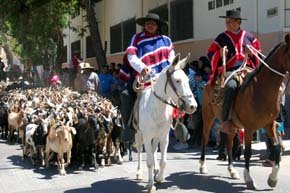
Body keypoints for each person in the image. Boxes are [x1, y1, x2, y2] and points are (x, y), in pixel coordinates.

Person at [119, 12, 175, 141]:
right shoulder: (137, 38)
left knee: (179, 91)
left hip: (162, 77)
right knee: (126, 95)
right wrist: (142, 68)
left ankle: (178, 123)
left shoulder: (166, 40)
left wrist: (171, 69)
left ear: (157, 26)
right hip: (142, 76)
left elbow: (171, 58)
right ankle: (128, 127)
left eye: (153, 24)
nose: (150, 25)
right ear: (144, 25)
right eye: (148, 23)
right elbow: (131, 55)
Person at [208, 10, 261, 134]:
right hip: (231, 70)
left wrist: (252, 52)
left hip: (247, 68)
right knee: (230, 86)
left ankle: (267, 116)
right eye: (226, 21)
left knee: (262, 85)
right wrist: (219, 54)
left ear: (238, 22)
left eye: (229, 21)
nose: (227, 23)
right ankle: (226, 120)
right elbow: (210, 53)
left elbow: (258, 52)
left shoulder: (249, 36)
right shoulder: (221, 37)